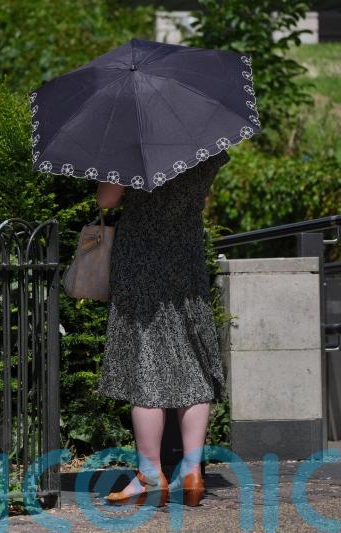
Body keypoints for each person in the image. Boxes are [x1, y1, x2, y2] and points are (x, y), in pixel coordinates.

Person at [94, 152, 231, 507]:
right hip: (187, 259)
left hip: (141, 260)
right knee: (193, 363)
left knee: (146, 365)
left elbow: (106, 200)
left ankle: (150, 475)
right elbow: (201, 197)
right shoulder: (205, 148)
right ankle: (191, 471)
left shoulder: (132, 148)